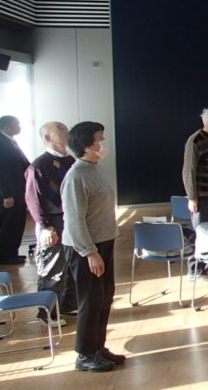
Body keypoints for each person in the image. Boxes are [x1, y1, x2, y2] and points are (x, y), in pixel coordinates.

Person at [62, 121, 124, 373]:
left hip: (102, 242)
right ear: (86, 144)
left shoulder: (93, 168)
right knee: (91, 299)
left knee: (104, 297)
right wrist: (90, 252)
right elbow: (74, 219)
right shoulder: (76, 175)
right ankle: (85, 354)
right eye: (100, 138)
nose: (103, 142)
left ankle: (98, 347)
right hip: (86, 247)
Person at [25, 121, 77, 323]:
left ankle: (68, 304)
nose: (66, 131)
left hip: (71, 217)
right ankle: (47, 313)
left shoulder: (71, 160)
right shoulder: (39, 165)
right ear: (47, 137)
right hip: (52, 220)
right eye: (60, 129)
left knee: (72, 263)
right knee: (53, 266)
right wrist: (45, 226)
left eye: (66, 128)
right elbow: (33, 199)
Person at [0, 115, 30, 265]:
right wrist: (8, 194)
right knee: (9, 224)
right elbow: (3, 171)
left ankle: (12, 252)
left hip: (18, 190)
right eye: (16, 124)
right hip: (10, 193)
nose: (20, 127)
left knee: (16, 223)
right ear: (7, 127)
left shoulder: (9, 141)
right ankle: (5, 256)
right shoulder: (2, 142)